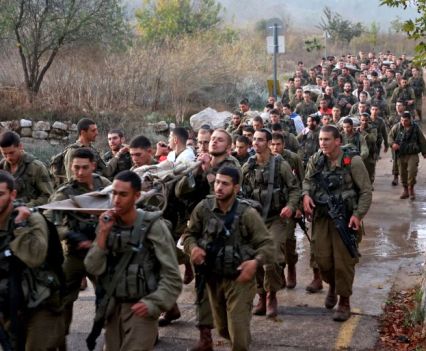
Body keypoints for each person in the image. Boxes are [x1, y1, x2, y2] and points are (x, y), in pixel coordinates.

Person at [84, 170, 182, 351]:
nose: (116, 200)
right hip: (113, 308)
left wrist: (154, 303)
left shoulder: (153, 226)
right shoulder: (107, 223)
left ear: (137, 196)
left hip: (141, 308)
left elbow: (172, 276)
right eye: (113, 193)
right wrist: (103, 233)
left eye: (123, 194)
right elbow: (92, 266)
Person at [182, 166, 274, 351]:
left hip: (238, 279)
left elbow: (268, 245)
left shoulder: (247, 214)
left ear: (236, 188)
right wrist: (193, 248)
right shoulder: (204, 208)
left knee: (238, 333)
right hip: (212, 278)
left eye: (225, 184)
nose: (219, 187)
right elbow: (188, 234)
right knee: (223, 330)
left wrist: (255, 263)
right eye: (217, 182)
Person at [303, 125, 372, 321]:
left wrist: (358, 215)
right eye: (320, 140)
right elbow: (307, 181)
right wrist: (306, 195)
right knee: (322, 259)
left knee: (343, 262)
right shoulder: (316, 160)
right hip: (322, 217)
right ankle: (332, 285)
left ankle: (344, 301)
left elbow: (366, 191)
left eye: (327, 140)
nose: (322, 143)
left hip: (345, 218)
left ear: (338, 141)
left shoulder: (353, 162)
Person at [46, 148, 111, 344]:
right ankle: (59, 339)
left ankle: (113, 338)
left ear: (93, 165)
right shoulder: (65, 192)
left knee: (110, 297)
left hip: (101, 252)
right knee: (62, 299)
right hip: (74, 254)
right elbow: (50, 222)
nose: (80, 172)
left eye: (84, 167)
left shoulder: (104, 185)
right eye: (76, 168)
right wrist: (72, 235)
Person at [0, 170, 65, 350]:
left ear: (13, 194)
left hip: (41, 302)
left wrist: (20, 226)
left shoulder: (31, 219)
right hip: (9, 304)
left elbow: (35, 256)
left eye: (0, 194)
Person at [241, 129, 300, 318]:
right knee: (255, 259)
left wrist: (291, 206)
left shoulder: (280, 164)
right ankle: (261, 295)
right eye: (254, 140)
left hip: (276, 218)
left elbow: (294, 188)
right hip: (255, 220)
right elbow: (237, 189)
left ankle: (272, 296)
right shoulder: (248, 166)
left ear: (268, 142)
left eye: (260, 140)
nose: (256, 143)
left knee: (272, 258)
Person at [0, 131, 53, 206]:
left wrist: (27, 206)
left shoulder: (36, 167)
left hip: (30, 212)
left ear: (20, 146)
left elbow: (49, 197)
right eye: (4, 154)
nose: (8, 157)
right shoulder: (1, 167)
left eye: (12, 153)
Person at [388, 111, 426, 200]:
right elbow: (390, 137)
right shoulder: (397, 127)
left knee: (412, 172)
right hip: (401, 154)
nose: (403, 122)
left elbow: (422, 140)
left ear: (410, 120)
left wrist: (424, 152)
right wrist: (392, 144)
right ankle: (405, 190)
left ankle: (411, 189)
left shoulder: (415, 128)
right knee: (402, 173)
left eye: (406, 121)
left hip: (412, 154)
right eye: (402, 120)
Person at [63, 117, 106, 182]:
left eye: (96, 130)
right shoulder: (73, 151)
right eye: (93, 130)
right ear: (83, 133)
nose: (97, 133)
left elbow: (106, 171)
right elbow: (72, 179)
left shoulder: (92, 149)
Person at [359, 113, 378, 184]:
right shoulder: (356, 128)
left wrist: (363, 132)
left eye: (366, 120)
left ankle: (370, 183)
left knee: (370, 169)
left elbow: (373, 138)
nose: (364, 122)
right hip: (361, 151)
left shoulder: (373, 128)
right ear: (360, 120)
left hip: (371, 152)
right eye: (362, 120)